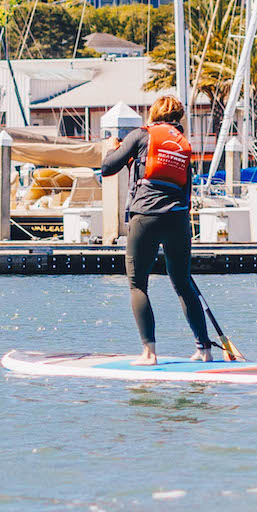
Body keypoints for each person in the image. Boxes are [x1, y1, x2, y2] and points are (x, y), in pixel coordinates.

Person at [100, 93, 213, 364]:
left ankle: (149, 353)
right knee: (183, 284)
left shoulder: (141, 135)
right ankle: (204, 350)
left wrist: (112, 148)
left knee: (138, 284)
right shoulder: (182, 143)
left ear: (153, 114)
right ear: (179, 118)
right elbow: (184, 189)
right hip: (178, 219)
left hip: (146, 217)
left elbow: (107, 168)